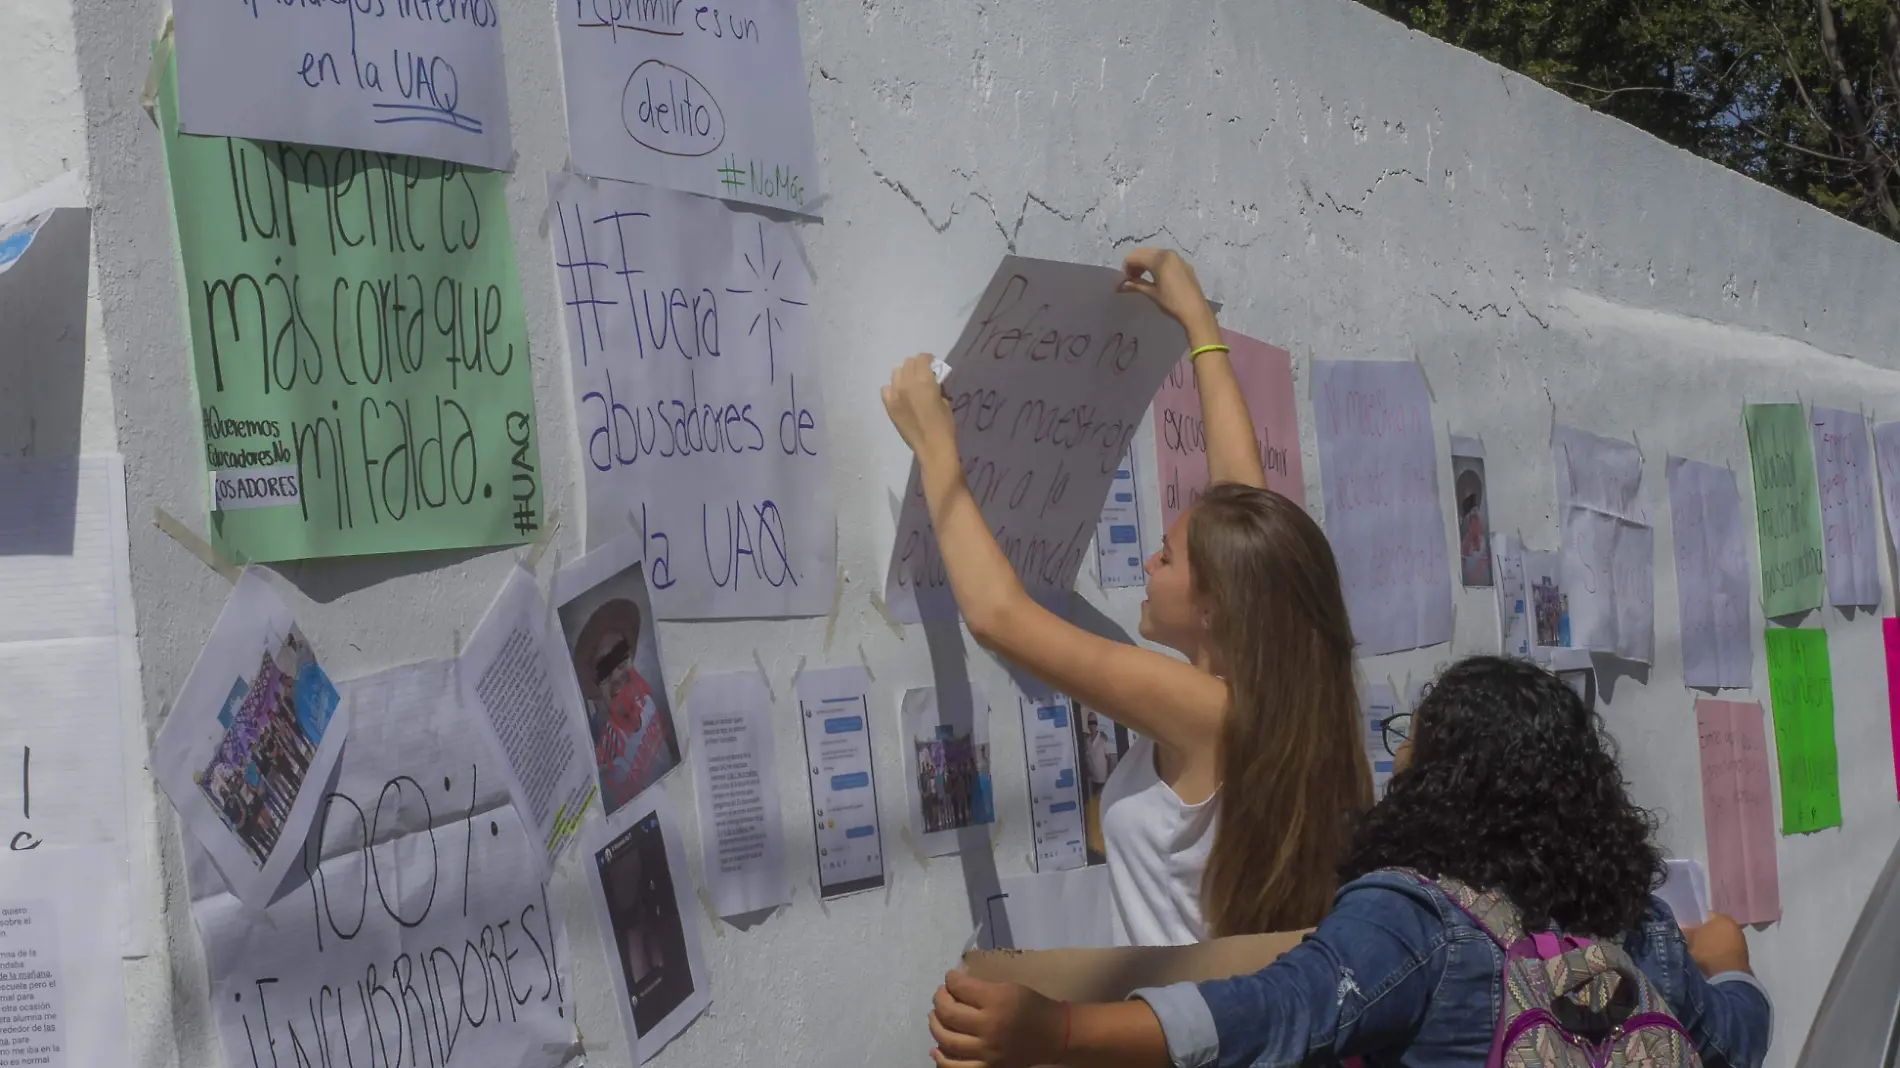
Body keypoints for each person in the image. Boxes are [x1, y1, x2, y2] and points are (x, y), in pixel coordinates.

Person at [926, 657, 1773, 1068]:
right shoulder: (1641, 924)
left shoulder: (1416, 921)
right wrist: (1732, 966)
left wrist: (1057, 1030)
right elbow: (1730, 1045)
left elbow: (1269, 1013)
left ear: (1444, 780)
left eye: (1411, 744)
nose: (1394, 762)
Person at [882, 249, 1369, 944]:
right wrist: (1198, 326)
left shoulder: (1210, 711)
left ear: (1216, 607)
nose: (1148, 561)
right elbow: (1247, 507)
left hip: (1188, 1041)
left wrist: (936, 450)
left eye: (1167, 557)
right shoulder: (1292, 693)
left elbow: (1000, 618)